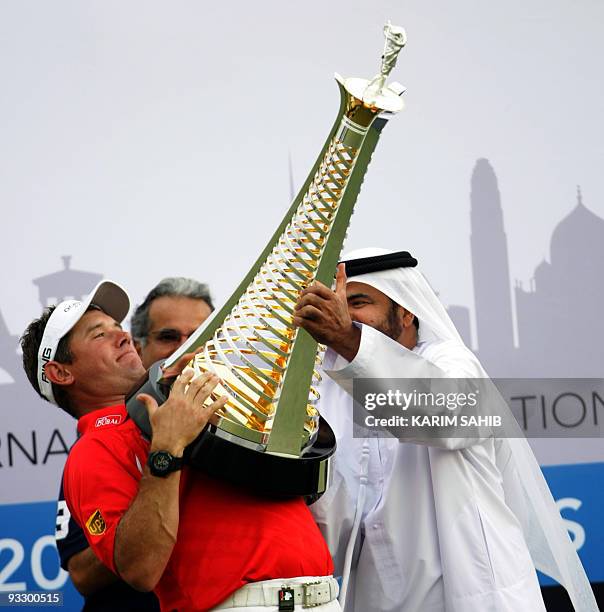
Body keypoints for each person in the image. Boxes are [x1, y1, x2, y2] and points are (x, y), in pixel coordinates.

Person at [293, 248, 597, 612]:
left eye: (358, 302)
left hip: (479, 599)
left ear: (405, 311)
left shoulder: (453, 363)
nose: (345, 315)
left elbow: (446, 417)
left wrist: (347, 338)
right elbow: (335, 539)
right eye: (339, 304)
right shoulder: (331, 392)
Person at [23, 280, 340, 612]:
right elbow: (136, 570)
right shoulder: (93, 450)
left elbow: (301, 484)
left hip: (328, 595)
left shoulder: (204, 401)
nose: (123, 335)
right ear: (60, 372)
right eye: (99, 334)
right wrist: (168, 447)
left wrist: (350, 345)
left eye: (118, 327)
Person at [54, 277, 214, 610]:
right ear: (141, 350)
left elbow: (345, 481)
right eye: (169, 336)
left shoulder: (243, 408)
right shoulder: (94, 451)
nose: (187, 346)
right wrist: (163, 486)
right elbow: (84, 574)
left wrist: (351, 351)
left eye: (200, 335)